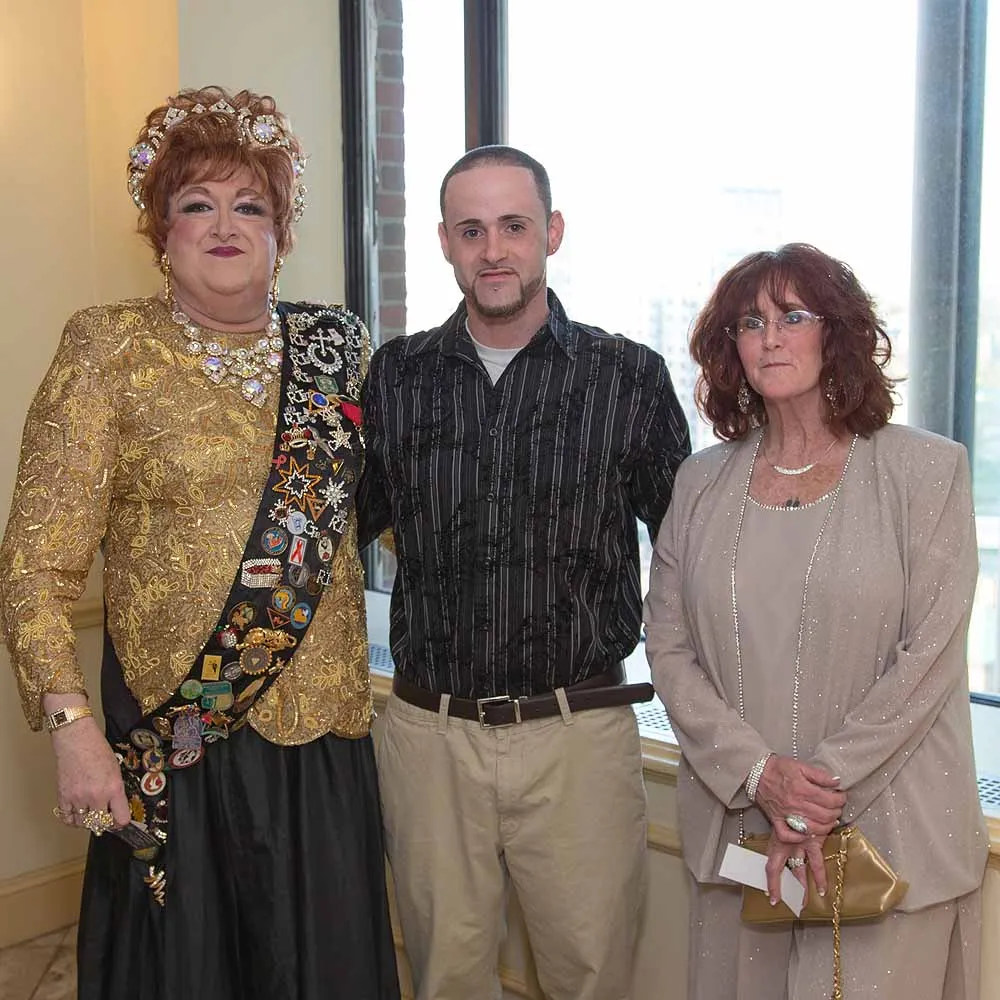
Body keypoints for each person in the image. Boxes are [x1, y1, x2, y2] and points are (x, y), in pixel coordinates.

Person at [0, 87, 400, 1000]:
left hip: (321, 741)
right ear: (162, 232)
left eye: (249, 205)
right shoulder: (108, 347)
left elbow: (386, 511)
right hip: (175, 741)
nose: (225, 224)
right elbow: (33, 567)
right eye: (197, 204)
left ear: (281, 232)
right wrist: (72, 730)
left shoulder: (338, 345)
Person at [358, 144, 691, 1000]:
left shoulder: (628, 378)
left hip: (577, 736)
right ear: (444, 242)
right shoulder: (396, 377)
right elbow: (344, 530)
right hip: (431, 737)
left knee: (590, 977)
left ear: (553, 231)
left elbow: (689, 555)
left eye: (513, 226)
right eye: (472, 230)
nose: (493, 250)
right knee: (444, 977)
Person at [644, 243, 988, 1000]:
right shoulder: (699, 483)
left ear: (837, 332)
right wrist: (760, 777)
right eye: (750, 322)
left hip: (893, 845)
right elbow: (667, 645)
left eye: (792, 316)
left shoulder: (928, 471)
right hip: (743, 840)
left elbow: (930, 657)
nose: (769, 337)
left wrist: (809, 796)